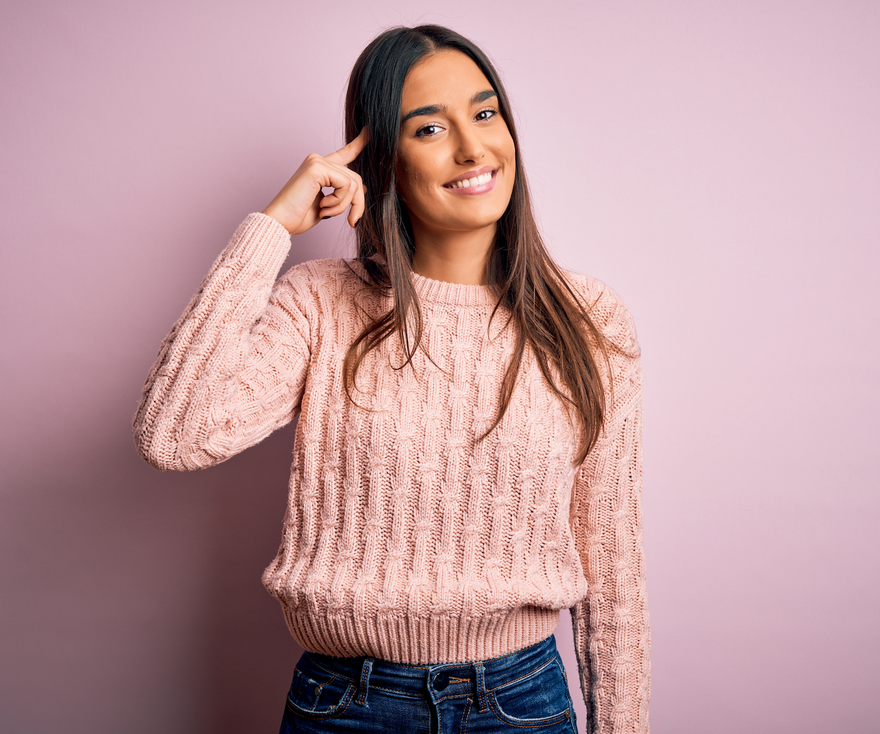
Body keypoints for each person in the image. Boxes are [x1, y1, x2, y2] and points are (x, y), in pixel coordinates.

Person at [134, 24, 649, 734]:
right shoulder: (321, 302)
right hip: (345, 705)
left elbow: (613, 572)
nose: (473, 149)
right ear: (384, 162)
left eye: (486, 112)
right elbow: (174, 434)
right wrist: (274, 227)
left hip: (521, 704)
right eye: (431, 128)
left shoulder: (589, 322)